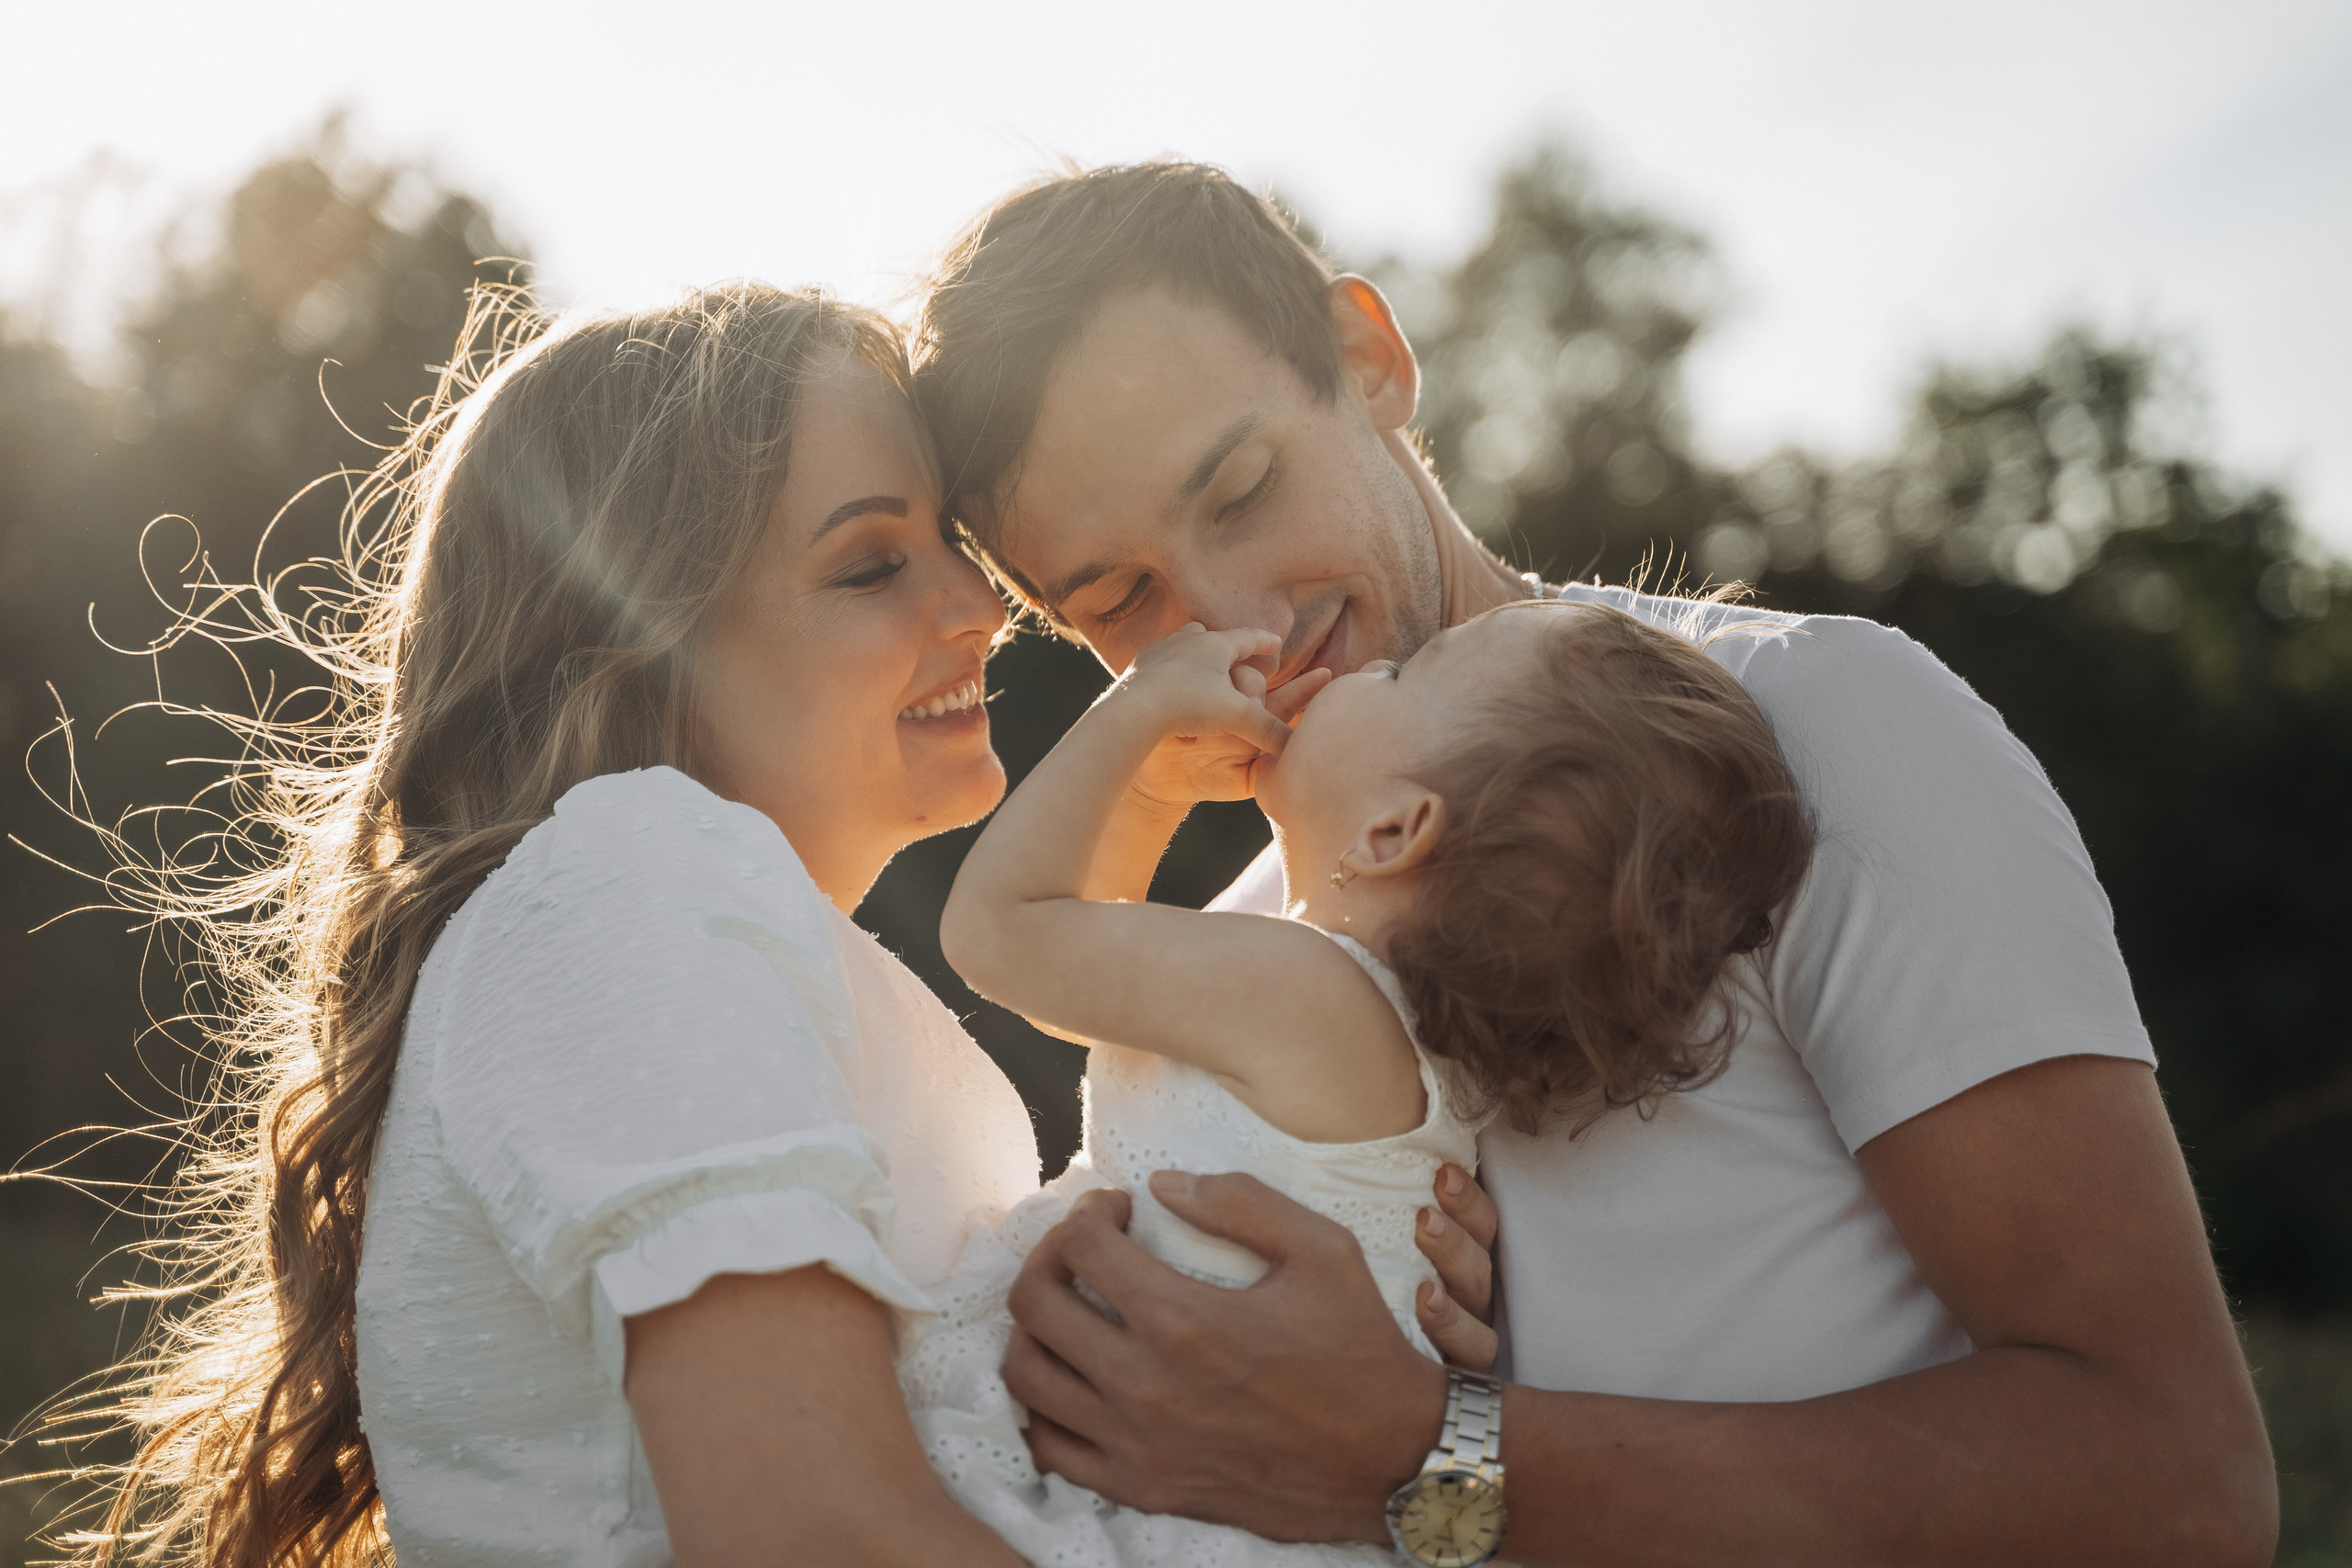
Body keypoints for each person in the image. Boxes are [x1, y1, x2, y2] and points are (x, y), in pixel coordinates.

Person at [909, 162, 2279, 1566]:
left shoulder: (1817, 727)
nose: (1234, 622)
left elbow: (2177, 1483)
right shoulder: (1257, 948)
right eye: (1121, 598)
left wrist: (1426, 1447)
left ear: (1369, 358)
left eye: (1244, 486)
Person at [69, 279, 1489, 1568]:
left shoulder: (797, 975)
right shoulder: (637, 876)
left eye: (955, 548)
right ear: (633, 633)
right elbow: (817, 1533)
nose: (979, 610)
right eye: (873, 565)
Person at [910, 599, 1810, 1566]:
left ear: (1392, 832)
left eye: (1400, 675)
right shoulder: (1393, 1044)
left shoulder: (1302, 991)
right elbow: (1078, 972)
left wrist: (1134, 709)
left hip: (1131, 1493)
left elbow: (1000, 934)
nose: (1356, 670)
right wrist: (1151, 789)